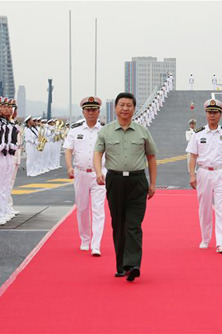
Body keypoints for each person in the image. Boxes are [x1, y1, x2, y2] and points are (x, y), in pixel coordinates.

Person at [94, 92, 158, 282]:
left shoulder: (142, 131)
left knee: (134, 224)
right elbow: (98, 153)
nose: (125, 108)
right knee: (118, 224)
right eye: (121, 105)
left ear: (134, 108)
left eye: (129, 105)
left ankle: (133, 265)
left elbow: (152, 157)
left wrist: (153, 183)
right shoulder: (105, 131)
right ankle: (121, 265)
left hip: (137, 181)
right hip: (115, 181)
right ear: (115, 108)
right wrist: (99, 172)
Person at [186, 99, 222, 254]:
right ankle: (205, 238)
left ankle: (221, 243)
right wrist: (192, 174)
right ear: (206, 113)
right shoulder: (198, 134)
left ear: (220, 114)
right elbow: (192, 156)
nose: (211, 115)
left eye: (215, 113)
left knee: (221, 208)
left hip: (221, 172)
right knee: (205, 207)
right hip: (204, 172)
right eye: (209, 112)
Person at [63, 96, 107, 256]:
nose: (91, 113)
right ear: (83, 111)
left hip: (99, 174)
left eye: (94, 110)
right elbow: (68, 149)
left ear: (98, 111)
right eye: (88, 110)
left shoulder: (104, 130)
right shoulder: (75, 130)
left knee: (98, 209)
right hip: (81, 173)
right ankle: (85, 239)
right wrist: (69, 167)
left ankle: (96, 244)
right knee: (82, 208)